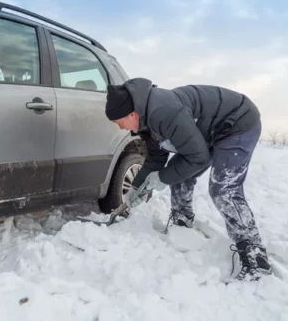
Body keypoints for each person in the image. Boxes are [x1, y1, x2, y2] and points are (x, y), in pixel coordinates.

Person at [104, 77, 271, 281]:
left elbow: (197, 158)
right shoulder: (145, 121)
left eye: (119, 122)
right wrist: (136, 187)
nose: (121, 128)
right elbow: (156, 159)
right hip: (208, 132)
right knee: (180, 174)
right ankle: (182, 224)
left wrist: (162, 178)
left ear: (131, 113)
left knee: (223, 188)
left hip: (237, 122)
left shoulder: (164, 112)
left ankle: (254, 254)